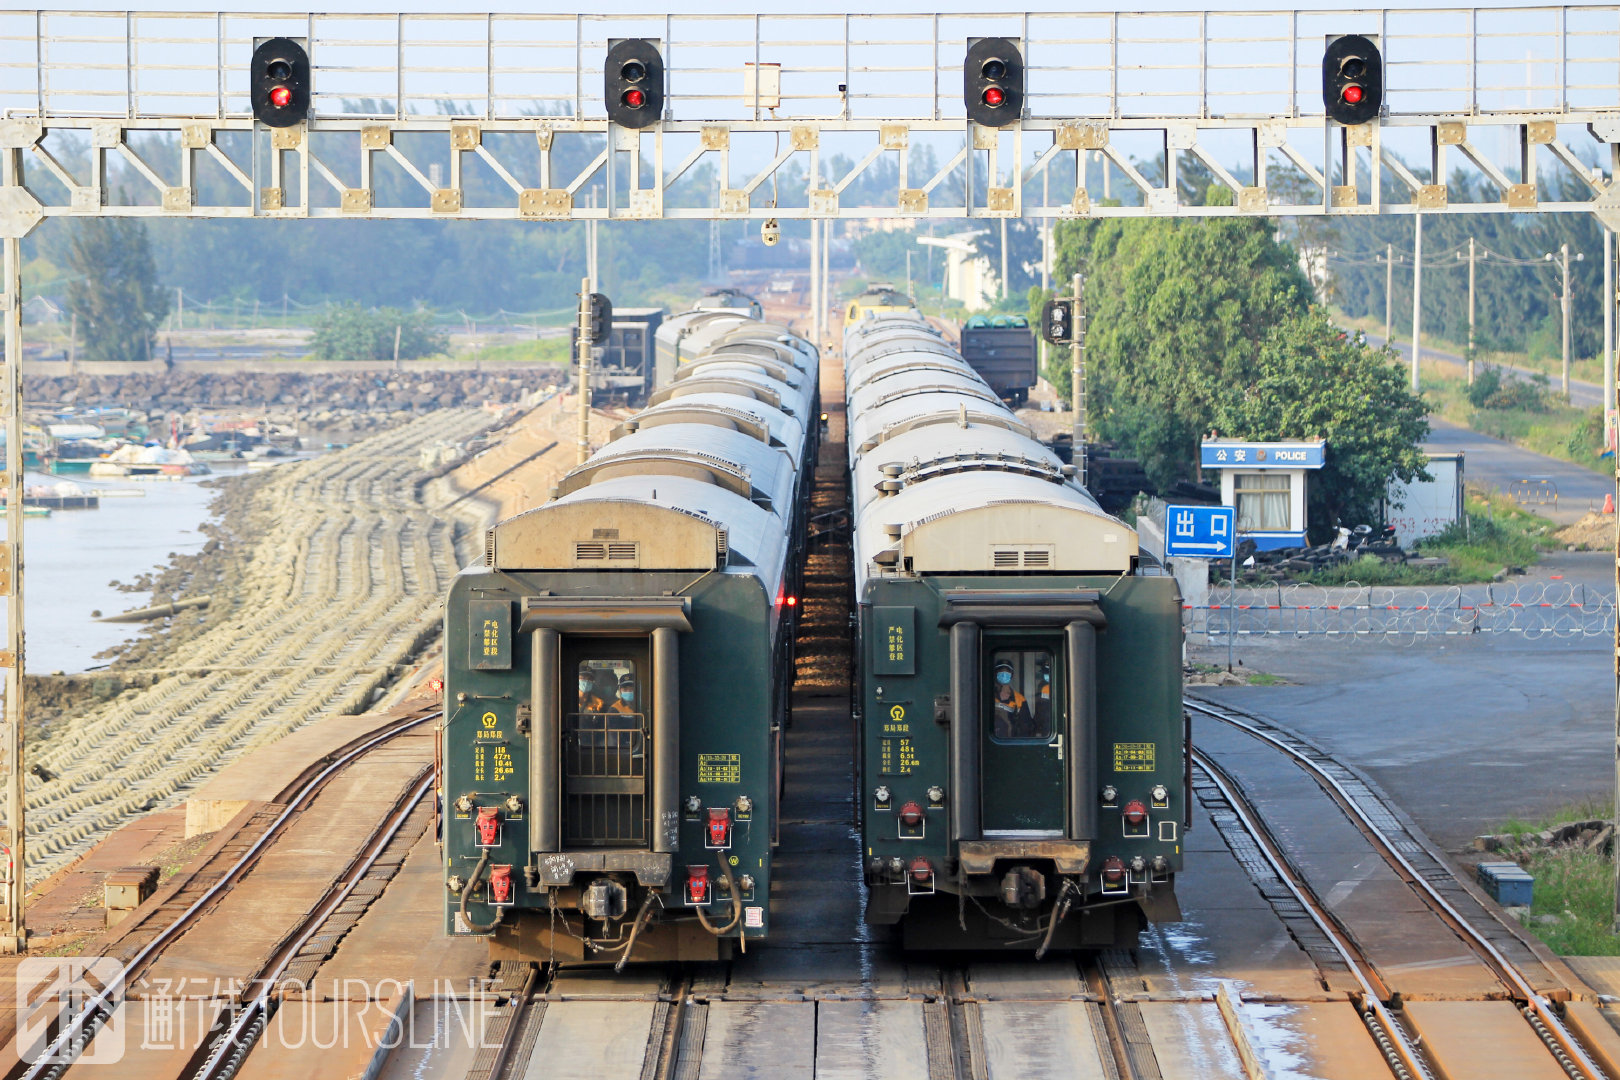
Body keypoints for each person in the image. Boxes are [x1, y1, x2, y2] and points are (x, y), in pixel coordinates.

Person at [992, 659, 1033, 739]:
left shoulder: (1020, 699)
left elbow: (1026, 727)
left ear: (1011, 675)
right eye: (1000, 671)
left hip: (1010, 742)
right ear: (995, 674)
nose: (1004, 675)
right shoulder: (987, 696)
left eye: (1007, 672)